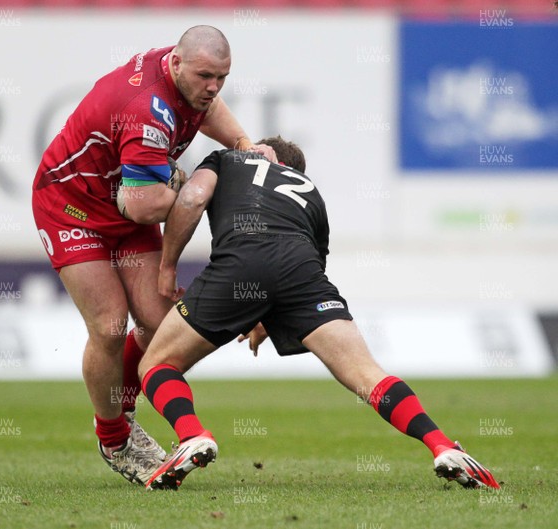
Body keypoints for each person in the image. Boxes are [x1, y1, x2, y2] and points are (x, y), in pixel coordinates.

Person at [136, 136, 500, 491]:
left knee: (157, 364)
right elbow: (304, 261)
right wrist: (264, 314)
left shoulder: (230, 159)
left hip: (240, 264)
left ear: (263, 153)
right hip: (302, 272)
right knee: (368, 376)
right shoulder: (310, 191)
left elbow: (194, 197)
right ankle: (441, 444)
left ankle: (192, 434)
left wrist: (168, 265)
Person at [31, 25, 274, 486]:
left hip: (125, 206)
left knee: (160, 324)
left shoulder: (183, 76)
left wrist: (241, 144)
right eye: (205, 76)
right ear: (178, 64)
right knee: (108, 324)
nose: (213, 87)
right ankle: (114, 437)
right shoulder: (147, 109)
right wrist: (204, 186)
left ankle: (120, 401)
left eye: (221, 77)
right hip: (70, 207)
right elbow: (144, 204)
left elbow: (206, 107)